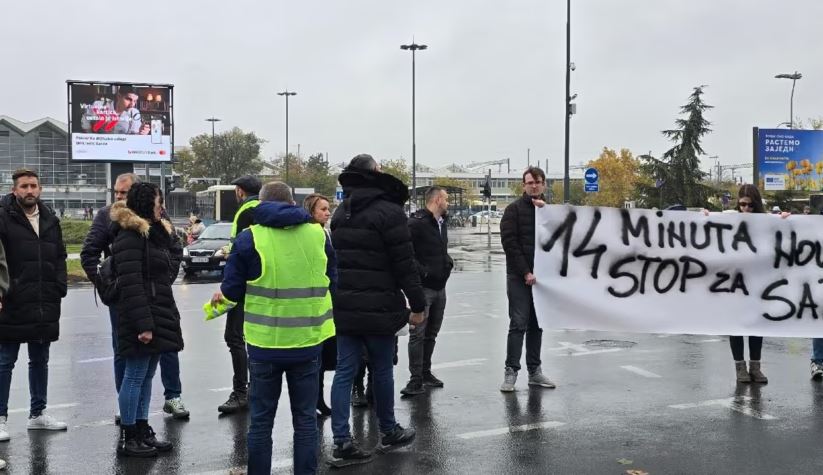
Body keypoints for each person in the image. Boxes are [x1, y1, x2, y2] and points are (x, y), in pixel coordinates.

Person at [212, 181, 336, 475]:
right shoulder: (318, 235)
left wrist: (217, 304)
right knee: (306, 421)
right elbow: (333, 279)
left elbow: (231, 293)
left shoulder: (248, 238)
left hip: (264, 345)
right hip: (307, 342)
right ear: (293, 203)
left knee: (261, 423)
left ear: (259, 205)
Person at [328, 154, 426, 467]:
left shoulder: (341, 212)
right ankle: (388, 429)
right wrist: (417, 303)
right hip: (380, 305)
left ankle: (342, 439)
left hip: (345, 306)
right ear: (373, 175)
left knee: (344, 371)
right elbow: (404, 263)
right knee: (382, 369)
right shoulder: (389, 211)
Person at [80, 173, 189, 421]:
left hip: (156, 298)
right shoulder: (113, 220)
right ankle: (130, 419)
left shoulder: (157, 216)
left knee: (161, 353)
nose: (119, 197)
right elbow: (90, 254)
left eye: (124, 193)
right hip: (129, 299)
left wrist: (164, 278)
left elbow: (173, 248)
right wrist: (109, 288)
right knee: (131, 361)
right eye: (116, 193)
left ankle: (169, 399)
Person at [110, 182, 183, 457]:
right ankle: (129, 437)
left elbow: (161, 272)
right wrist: (144, 325)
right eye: (157, 202)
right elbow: (131, 285)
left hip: (157, 312)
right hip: (142, 318)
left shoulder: (152, 234)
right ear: (144, 204)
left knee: (147, 376)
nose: (160, 207)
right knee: (134, 376)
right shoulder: (129, 236)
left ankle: (142, 430)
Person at [0, 169, 68, 442]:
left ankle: (37, 413)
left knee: (40, 359)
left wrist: (59, 285)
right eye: (24, 186)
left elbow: (60, 255)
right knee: (5, 361)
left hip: (44, 300)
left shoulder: (50, 219)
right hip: (13, 300)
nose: (30, 190)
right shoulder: (3, 217)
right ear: (15, 190)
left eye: (34, 185)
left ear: (40, 189)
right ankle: (0, 417)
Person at [499, 166, 556, 392]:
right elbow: (510, 245)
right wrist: (526, 272)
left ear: (543, 184)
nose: (534, 185)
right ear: (524, 185)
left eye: (537, 182)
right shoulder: (513, 210)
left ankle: (535, 372)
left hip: (541, 279)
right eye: (530, 182)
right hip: (519, 277)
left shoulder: (549, 212)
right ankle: (511, 372)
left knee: (537, 324)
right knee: (518, 324)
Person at [401, 186, 453, 396]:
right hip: (424, 289)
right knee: (418, 335)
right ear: (438, 199)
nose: (448, 202)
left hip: (440, 288)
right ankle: (414, 380)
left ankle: (425, 372)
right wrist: (423, 273)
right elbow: (407, 253)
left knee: (432, 333)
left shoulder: (441, 224)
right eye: (446, 199)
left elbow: (441, 251)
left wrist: (447, 264)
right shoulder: (416, 223)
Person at [219, 175, 262, 414]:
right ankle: (255, 389)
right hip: (264, 283)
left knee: (234, 337)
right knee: (255, 338)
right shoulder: (266, 209)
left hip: (243, 284)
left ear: (239, 191)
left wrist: (229, 254)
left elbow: (241, 249)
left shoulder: (245, 211)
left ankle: (241, 392)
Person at [303, 193, 338, 417]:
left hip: (326, 303)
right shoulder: (313, 235)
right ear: (311, 212)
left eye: (328, 209)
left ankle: (318, 400)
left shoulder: (325, 232)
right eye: (323, 209)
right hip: (316, 303)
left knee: (323, 359)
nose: (327, 212)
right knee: (315, 359)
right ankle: (313, 401)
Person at [730, 184, 767, 384]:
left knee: (756, 325)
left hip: (757, 283)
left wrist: (787, 220)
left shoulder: (764, 223)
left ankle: (755, 367)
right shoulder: (729, 220)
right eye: (742, 205)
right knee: (736, 326)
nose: (746, 209)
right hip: (733, 284)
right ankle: (740, 368)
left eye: (750, 206)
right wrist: (704, 215)